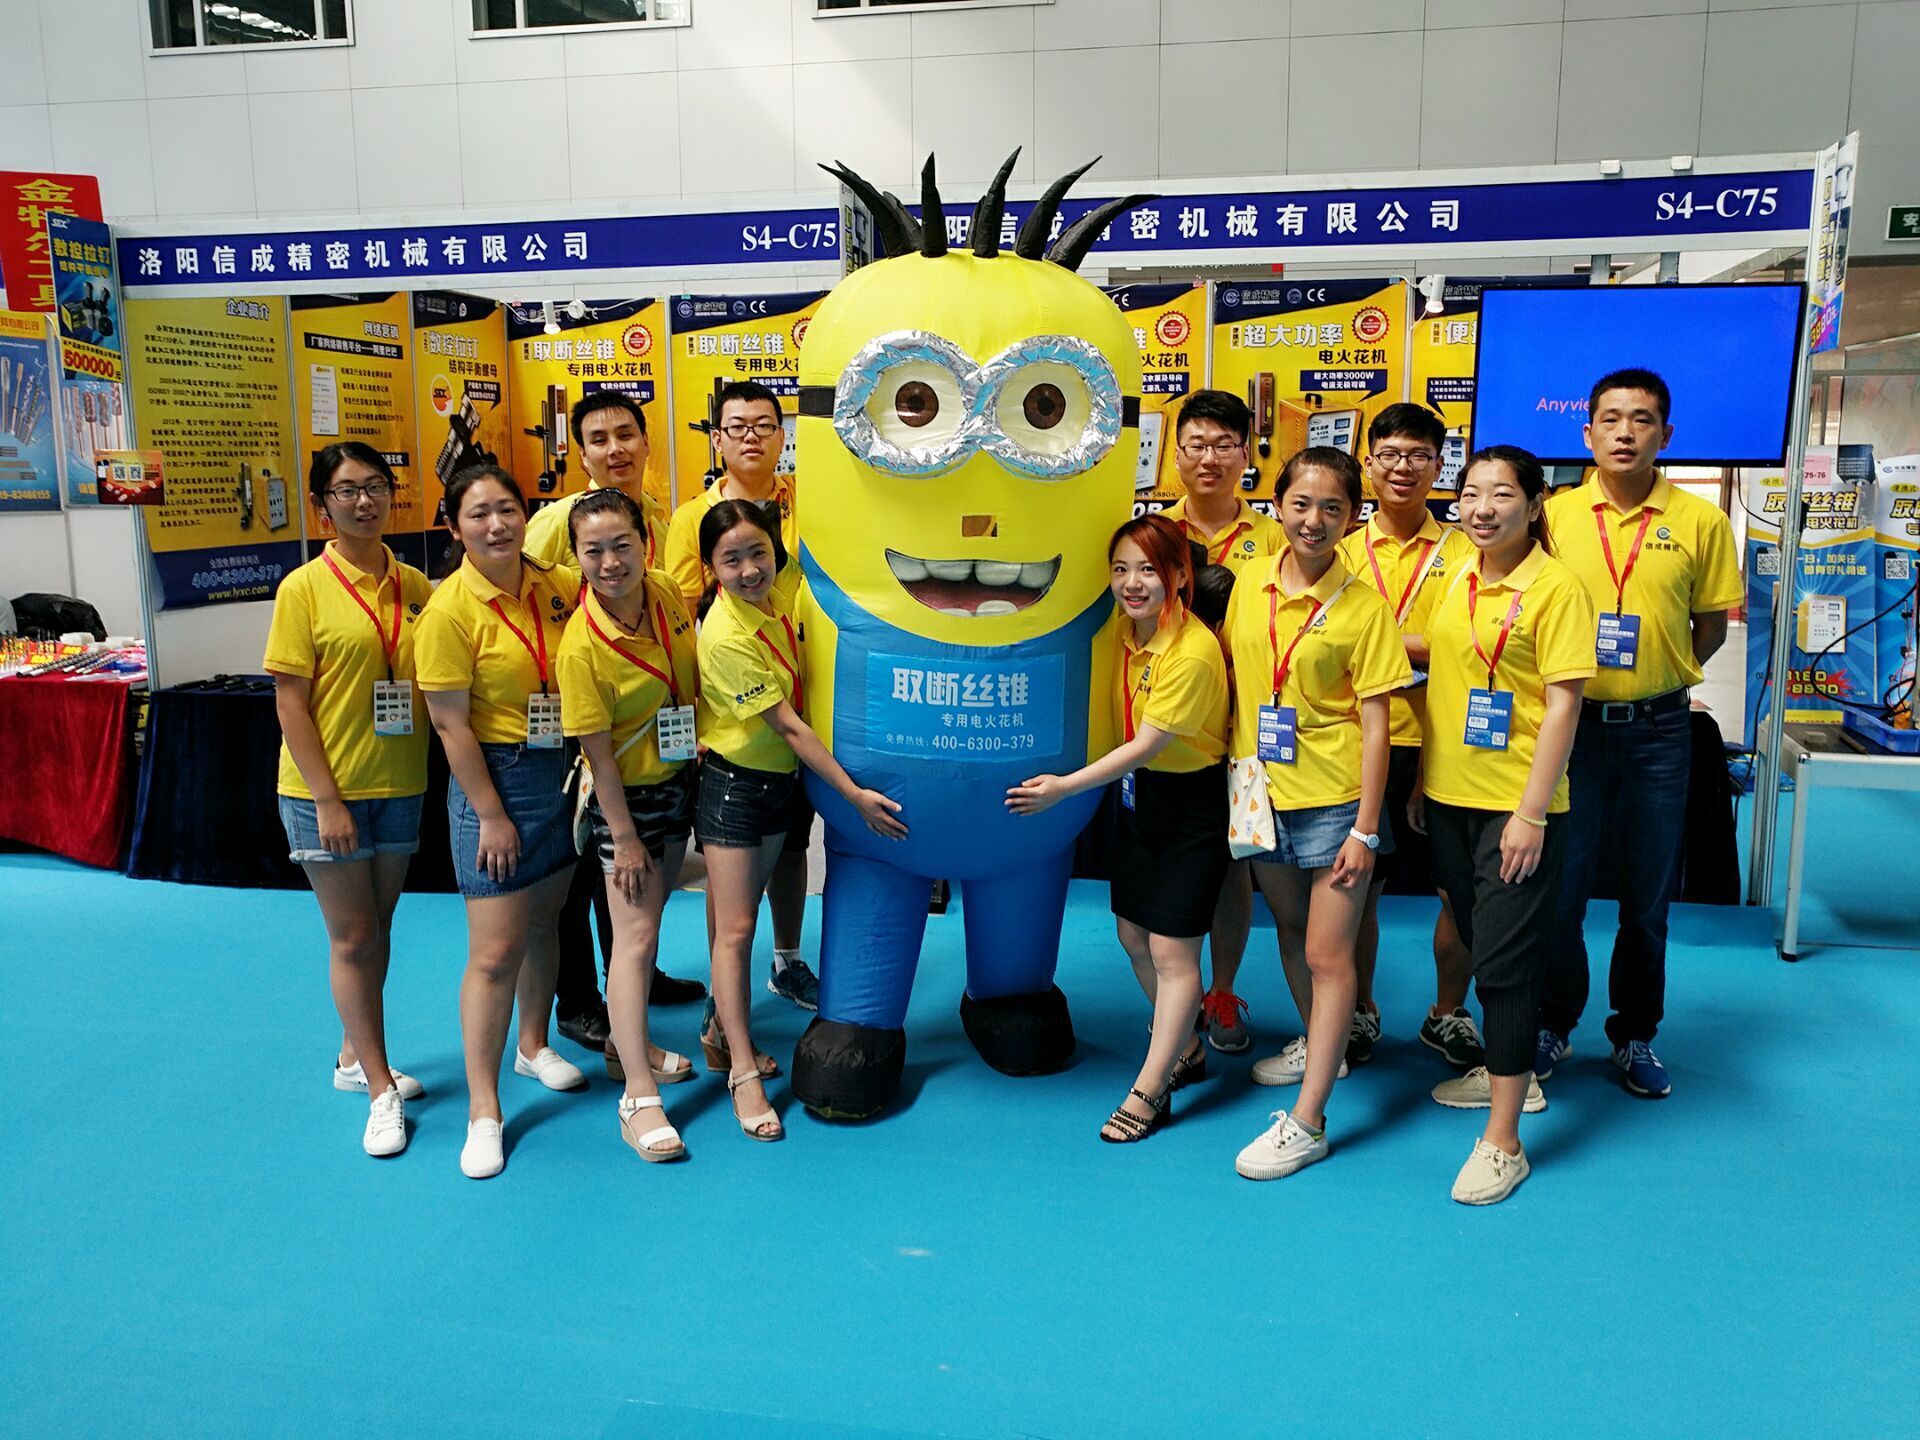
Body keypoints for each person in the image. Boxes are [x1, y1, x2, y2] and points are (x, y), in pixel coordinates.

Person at [1536, 369, 1742, 1099]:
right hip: (1572, 730)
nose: (1626, 432)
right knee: (1561, 892)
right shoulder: (1552, 517)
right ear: (1587, 432)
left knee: (1647, 899)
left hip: (1660, 730)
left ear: (1666, 434)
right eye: (1612, 419)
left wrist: (1659, 675)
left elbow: (1710, 627)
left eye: (1643, 420)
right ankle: (1553, 1022)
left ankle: (1634, 1034)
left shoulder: (1699, 521)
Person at [1007, 515, 1230, 1142]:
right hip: (1140, 800)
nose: (1133, 583)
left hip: (1191, 805)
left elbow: (1146, 745)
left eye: (1149, 570)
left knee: (1173, 952)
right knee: (1133, 933)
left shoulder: (1192, 651)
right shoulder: (1126, 632)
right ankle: (1186, 1045)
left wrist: (1062, 788)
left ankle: (1150, 1089)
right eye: (1121, 569)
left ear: (1179, 576)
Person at [694, 499, 907, 1142]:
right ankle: (741, 1072)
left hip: (780, 784)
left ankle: (719, 1031)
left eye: (758, 553)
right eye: (731, 560)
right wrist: (854, 794)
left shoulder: (779, 601)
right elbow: (788, 726)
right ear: (710, 568)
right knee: (736, 930)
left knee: (753, 910)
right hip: (736, 789)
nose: (749, 569)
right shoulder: (727, 635)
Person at [1224, 448, 1410, 1181]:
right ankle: (1321, 1047)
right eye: (1300, 503)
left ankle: (1309, 1120)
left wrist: (1366, 827)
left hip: (1334, 800)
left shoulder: (1364, 608)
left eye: (1333, 507)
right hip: (1258, 792)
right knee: (1291, 931)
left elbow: (1377, 726)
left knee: (1329, 956)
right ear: (1277, 506)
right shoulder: (1249, 582)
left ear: (1354, 517)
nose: (1314, 519)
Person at [1416, 445, 1594, 1203]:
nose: (1482, 508)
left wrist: (1530, 812)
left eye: (1501, 494)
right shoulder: (1460, 572)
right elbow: (1442, 663)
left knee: (1505, 967)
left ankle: (1504, 1140)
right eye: (1470, 493)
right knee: (1481, 938)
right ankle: (1507, 1071)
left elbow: (1564, 704)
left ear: (1535, 502)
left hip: (1513, 806)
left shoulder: (1556, 588)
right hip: (1448, 796)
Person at [416, 464, 587, 1180]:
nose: (497, 525)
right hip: (497, 779)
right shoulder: (448, 611)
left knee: (545, 922)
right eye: (479, 513)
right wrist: (489, 814)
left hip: (561, 770)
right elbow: (449, 726)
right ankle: (484, 1110)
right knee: (493, 953)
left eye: (508, 509)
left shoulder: (557, 583)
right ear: (454, 528)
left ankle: (533, 1045)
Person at [265, 443, 433, 1158]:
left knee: (378, 927)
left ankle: (352, 1056)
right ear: (321, 506)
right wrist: (328, 799)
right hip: (324, 793)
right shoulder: (302, 589)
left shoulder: (416, 584)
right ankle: (379, 1090)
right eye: (346, 491)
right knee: (353, 937)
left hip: (400, 781)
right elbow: (290, 702)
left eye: (375, 487)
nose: (364, 502)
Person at [524, 391, 702, 1062]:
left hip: (648, 722)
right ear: (581, 453)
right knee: (579, 873)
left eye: (626, 434)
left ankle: (635, 977)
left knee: (627, 889)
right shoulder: (555, 522)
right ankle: (578, 1002)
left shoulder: (654, 516)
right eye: (598, 439)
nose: (615, 448)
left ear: (647, 442)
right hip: (578, 711)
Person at [554, 488, 702, 1163]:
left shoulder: (666, 593)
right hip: (625, 803)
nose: (611, 562)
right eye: (594, 551)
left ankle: (625, 1045)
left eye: (622, 545)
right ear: (577, 558)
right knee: (635, 939)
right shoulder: (581, 647)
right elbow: (599, 755)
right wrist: (626, 837)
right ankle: (638, 1097)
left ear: (646, 543)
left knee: (648, 925)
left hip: (678, 781)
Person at [663, 380, 816, 1014]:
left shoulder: (811, 498)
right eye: (737, 426)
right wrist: (693, 724)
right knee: (732, 883)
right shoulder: (691, 519)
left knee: (794, 845)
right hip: (738, 710)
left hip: (805, 690)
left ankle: (788, 960)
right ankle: (725, 1004)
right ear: (717, 438)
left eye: (764, 424)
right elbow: (680, 623)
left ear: (782, 435)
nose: (751, 436)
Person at [1336, 403, 1480, 1070]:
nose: (1403, 467)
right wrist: (1421, 645)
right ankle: (1360, 1010)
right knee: (1357, 890)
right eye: (1389, 454)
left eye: (1419, 455)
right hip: (1354, 744)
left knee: (1461, 891)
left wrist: (1381, 641)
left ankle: (1448, 1013)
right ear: (1367, 462)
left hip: (1447, 743)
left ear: (1439, 466)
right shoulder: (1337, 548)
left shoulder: (1468, 550)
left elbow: (1474, 643)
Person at [1155, 389, 1283, 1056]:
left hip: (1244, 732)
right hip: (1167, 730)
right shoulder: (1152, 534)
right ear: (1176, 455)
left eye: (1224, 446)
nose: (1210, 459)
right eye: (1197, 445)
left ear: (1245, 455)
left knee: (1235, 864)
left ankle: (1222, 991)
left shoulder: (1275, 537)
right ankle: (1176, 991)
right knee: (1171, 861)